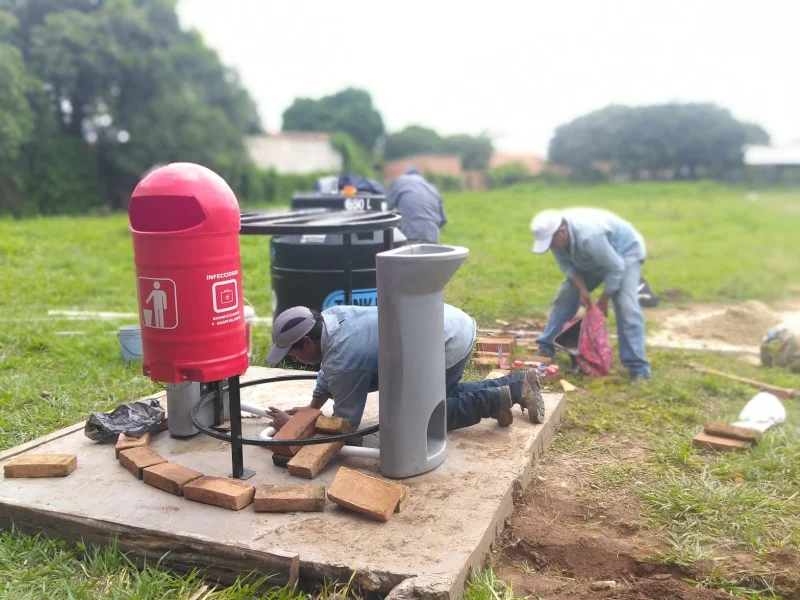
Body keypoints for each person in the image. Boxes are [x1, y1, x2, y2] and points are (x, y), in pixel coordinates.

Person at [264, 304, 545, 432]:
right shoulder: (329, 319)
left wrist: (297, 427)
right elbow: (329, 371)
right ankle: (518, 384)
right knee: (444, 393)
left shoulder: (341, 361)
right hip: (447, 322)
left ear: (305, 342)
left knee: (420, 419)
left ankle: (493, 400)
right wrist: (312, 408)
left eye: (293, 355)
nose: (296, 362)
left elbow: (346, 426)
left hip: (442, 341)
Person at [530, 207, 651, 382]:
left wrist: (604, 299)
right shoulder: (556, 238)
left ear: (562, 232)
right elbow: (567, 266)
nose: (551, 248)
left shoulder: (590, 236)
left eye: (551, 243)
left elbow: (615, 267)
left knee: (626, 306)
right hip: (593, 258)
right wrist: (582, 290)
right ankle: (546, 345)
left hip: (624, 253)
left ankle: (638, 367)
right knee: (566, 294)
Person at [386, 167, 448, 244]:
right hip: (432, 236)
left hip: (409, 235)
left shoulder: (400, 181)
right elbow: (443, 219)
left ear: (406, 174)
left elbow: (386, 208)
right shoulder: (432, 187)